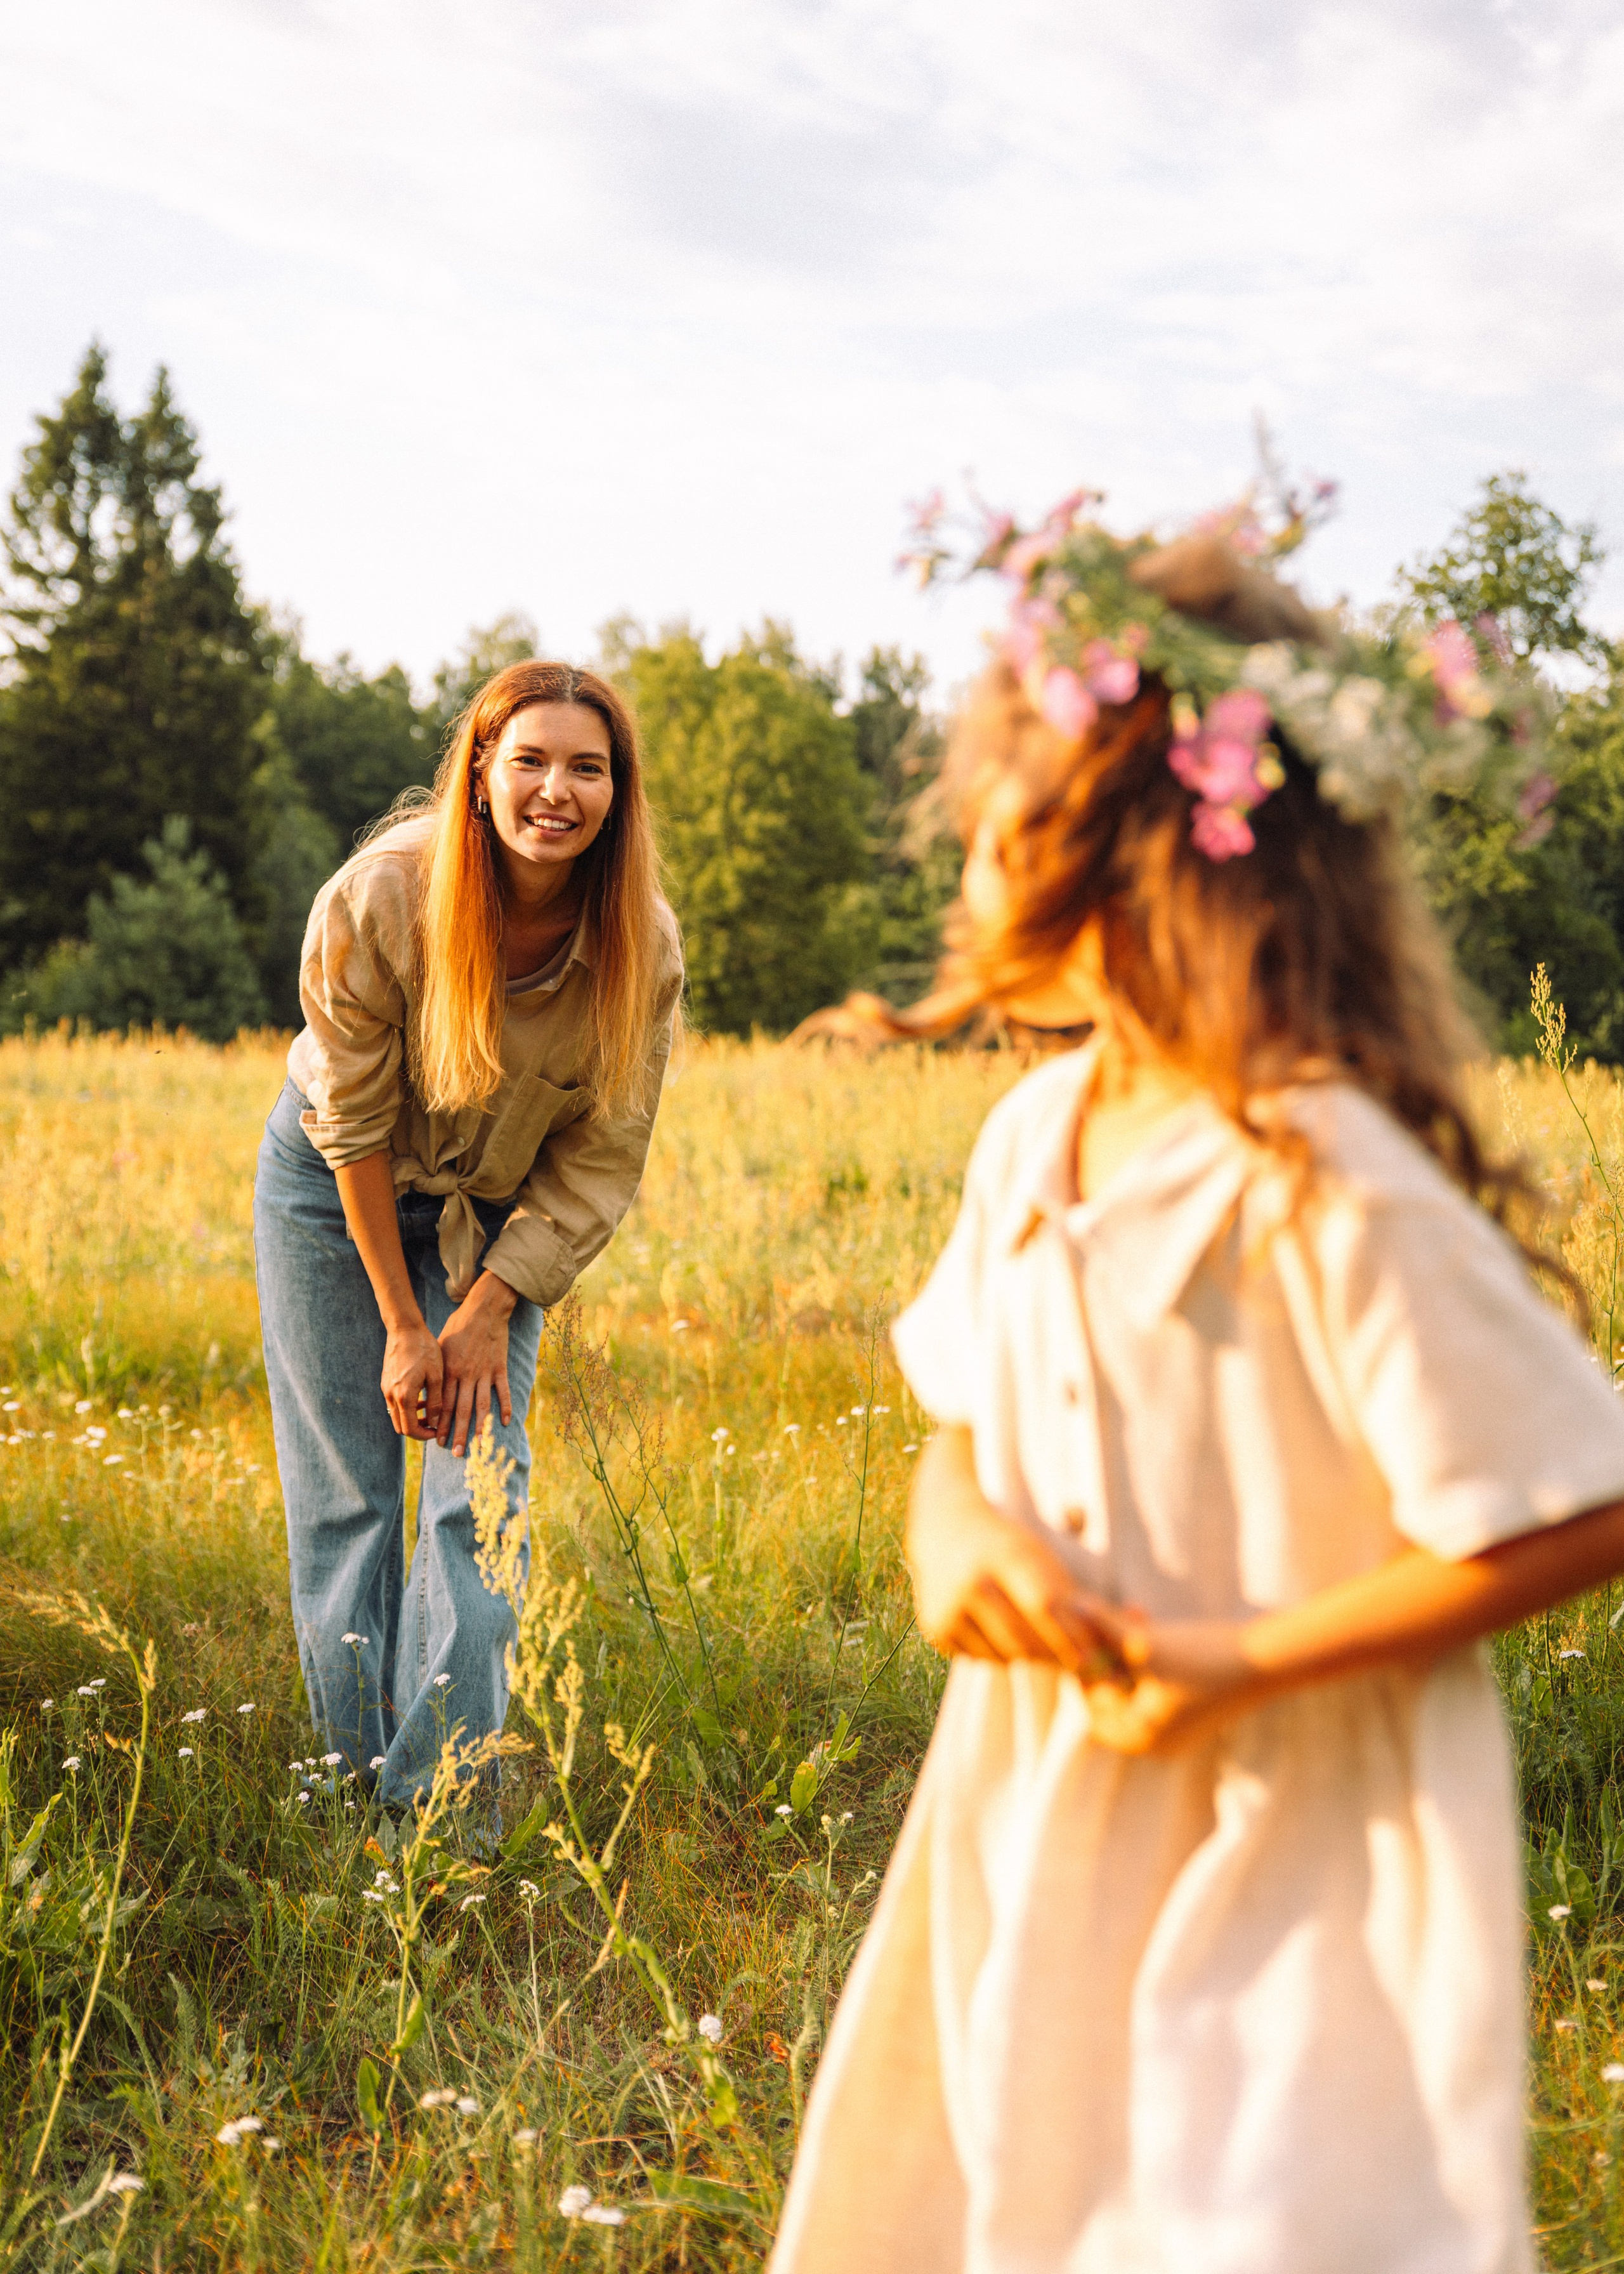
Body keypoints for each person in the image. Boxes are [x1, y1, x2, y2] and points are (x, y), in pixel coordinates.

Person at [770, 489, 1624, 2274]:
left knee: (1255, 2210)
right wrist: (958, 1545)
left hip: (1291, 1836)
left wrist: (1242, 1663)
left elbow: (1583, 1503)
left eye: (1006, 804)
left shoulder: (1316, 1172)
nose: (973, 842)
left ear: (1143, 846)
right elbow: (959, 1432)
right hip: (1044, 1800)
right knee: (1023, 2171)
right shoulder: (1034, 1134)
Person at [253, 661, 683, 1809]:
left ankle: (436, 1815)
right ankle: (348, 1791)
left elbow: (600, 1157)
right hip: (335, 1185)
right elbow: (348, 1120)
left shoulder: (643, 943)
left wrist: (487, 1309)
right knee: (351, 1496)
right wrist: (405, 1324)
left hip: (499, 1219)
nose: (557, 790)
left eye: (586, 767)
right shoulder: (383, 895)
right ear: (481, 771)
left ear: (617, 792)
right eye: (530, 759)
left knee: (478, 1497)